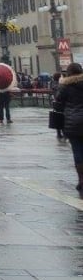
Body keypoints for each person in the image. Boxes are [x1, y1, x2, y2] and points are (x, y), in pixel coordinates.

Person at [52, 62, 83, 194]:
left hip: (72, 123)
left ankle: (81, 180)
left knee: (77, 151)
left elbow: (58, 99)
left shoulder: (64, 86)